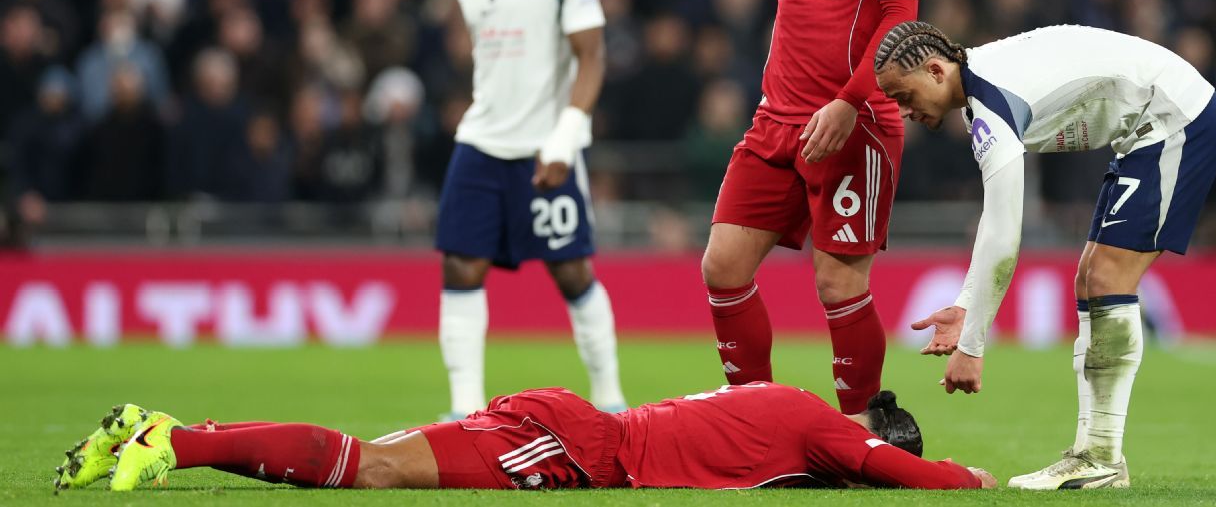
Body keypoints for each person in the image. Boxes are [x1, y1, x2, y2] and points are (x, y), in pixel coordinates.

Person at [872, 21, 1216, 489]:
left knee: (1107, 278)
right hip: (1148, 128)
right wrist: (964, 305)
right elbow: (994, 222)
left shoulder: (992, 101)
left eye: (903, 96)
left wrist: (972, 346)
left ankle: (1100, 456)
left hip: (1175, 119)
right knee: (1090, 278)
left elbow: (1004, 233)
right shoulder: (981, 93)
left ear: (936, 71)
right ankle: (1096, 454)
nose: (903, 111)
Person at [703, 0, 922, 414]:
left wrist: (850, 101)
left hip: (855, 120)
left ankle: (861, 428)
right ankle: (753, 419)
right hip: (776, 118)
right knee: (722, 267)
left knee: (837, 283)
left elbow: (899, 20)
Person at [435, 0, 625, 417]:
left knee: (571, 273)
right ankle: (465, 413)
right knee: (459, 266)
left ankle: (612, 402)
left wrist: (566, 137)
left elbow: (591, 57)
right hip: (480, 143)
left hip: (545, 147)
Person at [56, 384, 995, 492]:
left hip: (569, 425)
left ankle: (164, 428)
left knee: (368, 456)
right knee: (372, 471)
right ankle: (180, 447)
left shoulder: (784, 399)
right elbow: (905, 472)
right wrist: (972, 476)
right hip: (581, 447)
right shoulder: (828, 429)